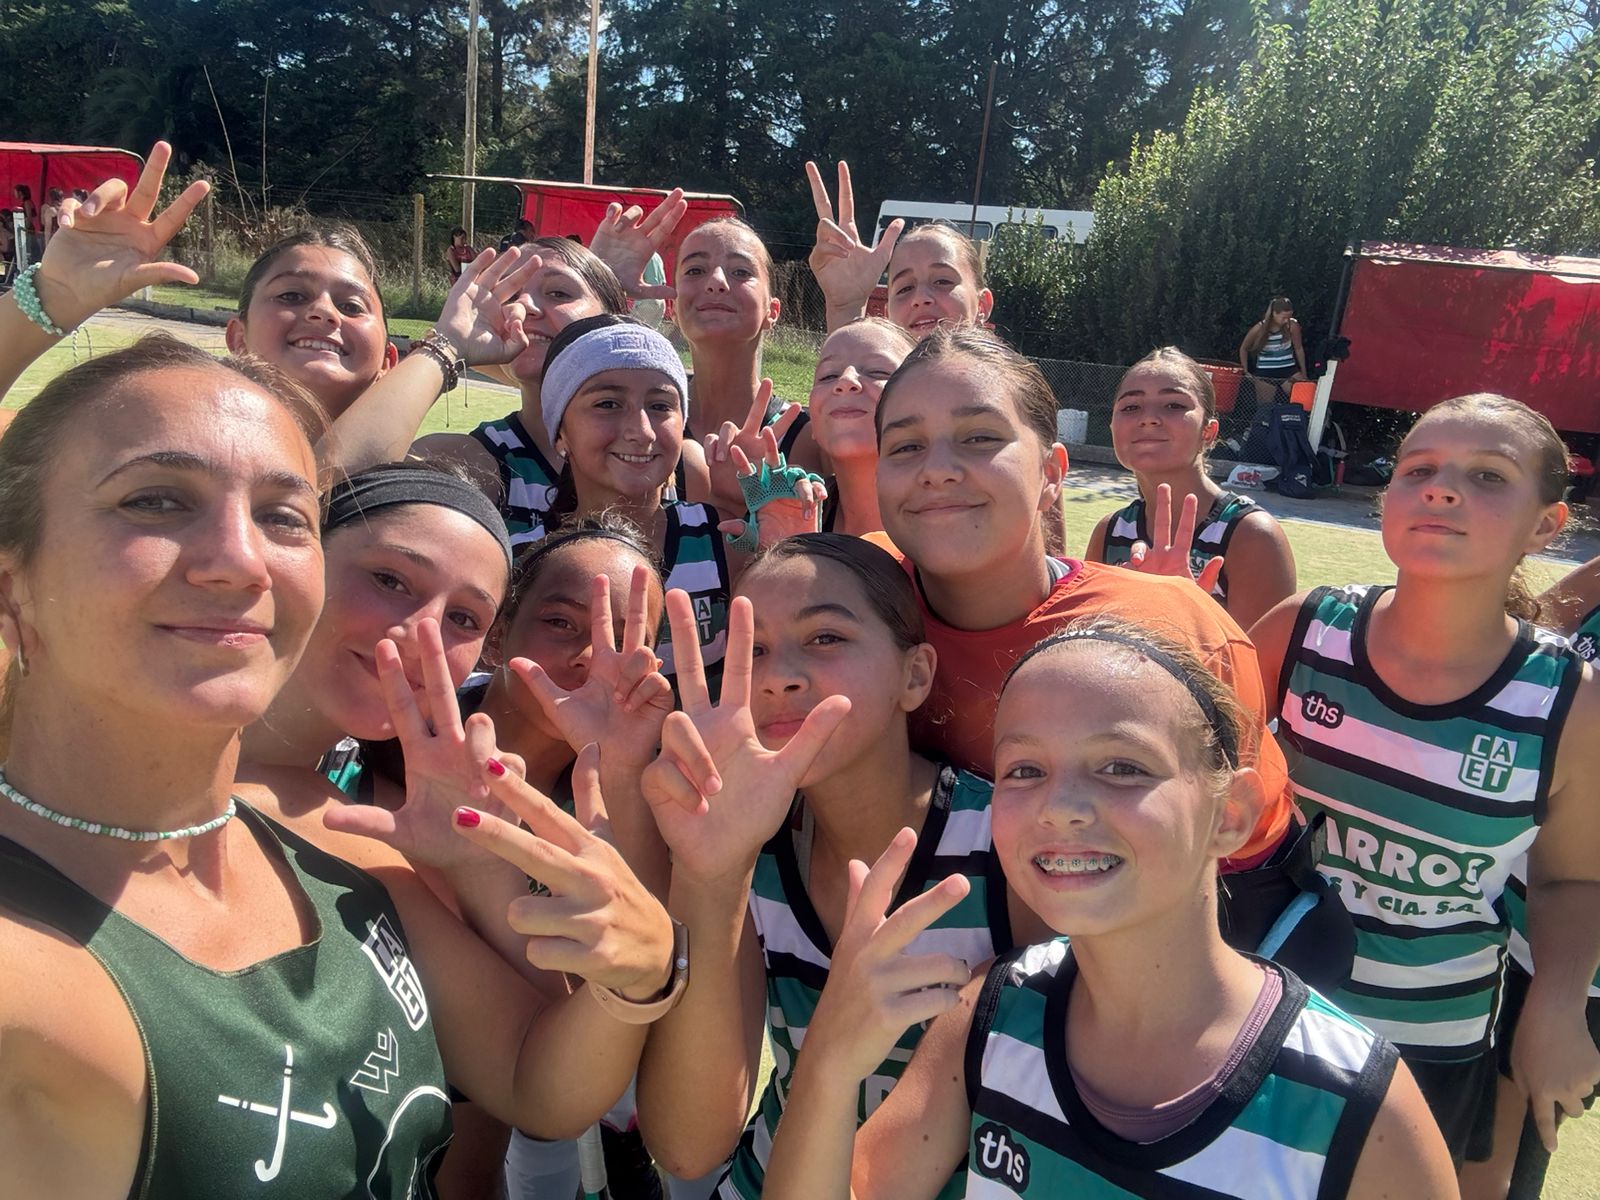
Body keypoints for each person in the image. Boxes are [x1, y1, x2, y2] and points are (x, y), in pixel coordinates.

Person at [0, 145, 686, 1195]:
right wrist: (36, 308)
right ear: (14, 576)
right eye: (155, 501)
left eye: (280, 518)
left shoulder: (348, 833)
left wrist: (640, 973)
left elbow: (541, 1086)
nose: (235, 559)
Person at [760, 617, 1457, 1199]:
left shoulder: (1357, 1106)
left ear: (1230, 814)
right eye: (1024, 770)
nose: (1060, 808)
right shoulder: (992, 1014)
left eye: (1123, 767)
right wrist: (829, 1063)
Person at [867, 325, 1358, 990]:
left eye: (980, 437)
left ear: (1051, 473)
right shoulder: (854, 602)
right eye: (905, 445)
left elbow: (1246, 841)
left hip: (1194, 955)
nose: (937, 468)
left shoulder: (1174, 629)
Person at [1248, 393, 1600, 1173]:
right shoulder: (1306, 630)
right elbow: (1189, 767)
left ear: (1546, 525)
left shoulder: (1569, 703)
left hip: (1427, 1048)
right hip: (1260, 1011)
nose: (1441, 490)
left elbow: (1572, 879)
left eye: (1488, 476)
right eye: (1419, 470)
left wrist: (1557, 1003)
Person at [635, 534, 1023, 1199]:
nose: (777, 676)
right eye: (754, 649)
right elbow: (687, 1146)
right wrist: (710, 875)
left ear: (914, 676)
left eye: (825, 638)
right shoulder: (747, 841)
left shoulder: (1009, 843)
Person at [328, 236, 636, 547]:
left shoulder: (659, 451)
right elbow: (336, 492)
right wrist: (448, 344)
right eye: (511, 295)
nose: (522, 306)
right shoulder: (478, 461)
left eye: (558, 293)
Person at [589, 203, 824, 513]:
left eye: (741, 272)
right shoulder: (643, 421)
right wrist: (601, 286)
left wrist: (846, 304)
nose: (716, 282)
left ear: (773, 311)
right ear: (672, 308)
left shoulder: (798, 436)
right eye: (695, 270)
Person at [226, 222, 540, 421]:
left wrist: (452, 342)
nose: (323, 311)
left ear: (388, 361)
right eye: (291, 296)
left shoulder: (426, 494)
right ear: (238, 339)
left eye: (351, 306)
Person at [1088, 345, 1297, 629]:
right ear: (1112, 426)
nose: (1148, 418)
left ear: (1208, 432)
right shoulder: (1110, 532)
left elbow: (1258, 658)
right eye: (1131, 407)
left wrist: (1184, 612)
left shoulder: (1252, 536)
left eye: (1174, 405)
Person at [805, 161, 993, 338]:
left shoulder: (1003, 364)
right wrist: (846, 307)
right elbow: (847, 358)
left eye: (942, 281)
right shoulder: (873, 364)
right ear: (888, 315)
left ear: (982, 305)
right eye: (905, 288)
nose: (920, 298)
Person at [808, 318, 917, 538]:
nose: (845, 380)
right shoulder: (795, 511)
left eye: (878, 372)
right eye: (829, 375)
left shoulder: (954, 521)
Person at [1239, 295, 1307, 409]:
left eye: (1289, 317)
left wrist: (1304, 373)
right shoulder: (1259, 328)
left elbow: (1299, 348)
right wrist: (1245, 370)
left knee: (1304, 398)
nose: (1286, 321)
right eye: (1283, 317)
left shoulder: (1292, 325)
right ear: (1274, 314)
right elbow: (1244, 348)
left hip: (1289, 369)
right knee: (1265, 407)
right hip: (1265, 371)